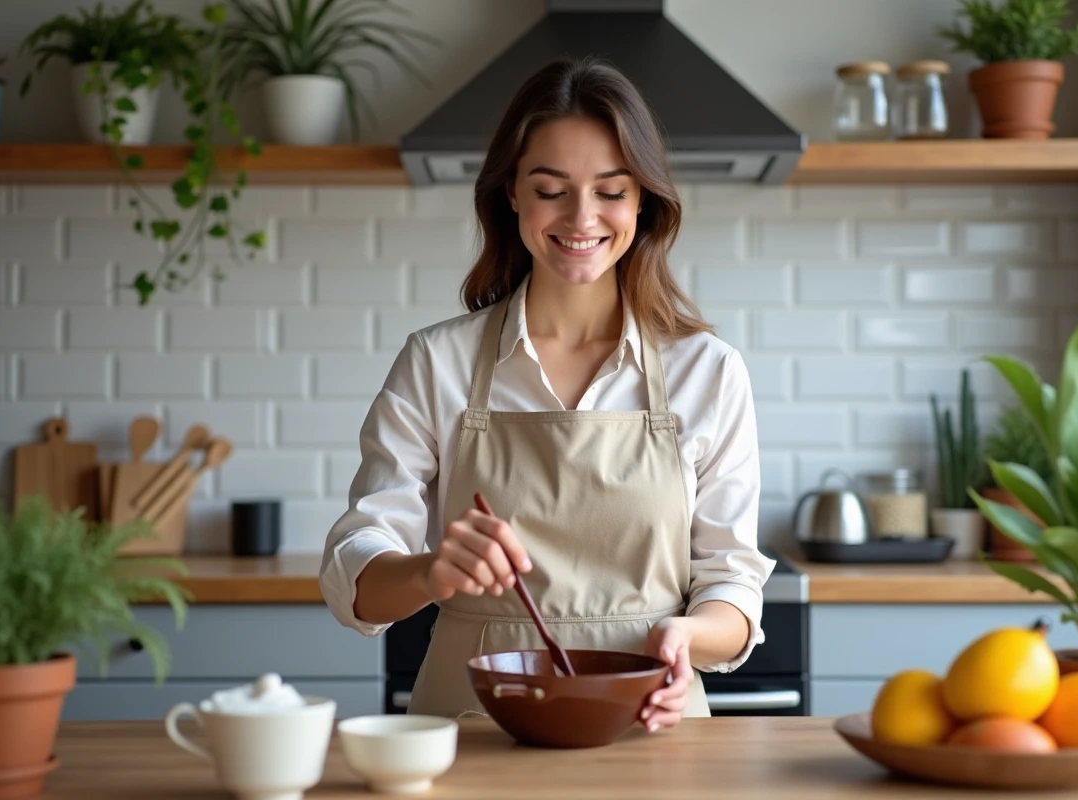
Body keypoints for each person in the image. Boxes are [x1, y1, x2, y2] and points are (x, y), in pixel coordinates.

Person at [319, 55, 775, 732]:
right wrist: (427, 573)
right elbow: (354, 569)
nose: (582, 216)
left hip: (647, 722)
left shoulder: (707, 371)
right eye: (551, 189)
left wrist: (687, 637)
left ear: (643, 200)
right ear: (511, 193)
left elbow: (732, 583)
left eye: (611, 190)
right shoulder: (437, 362)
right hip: (473, 725)